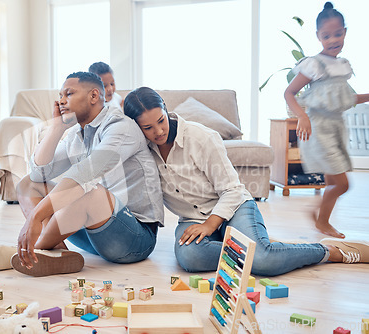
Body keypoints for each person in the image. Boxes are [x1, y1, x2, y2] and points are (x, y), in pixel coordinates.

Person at [123, 86, 369, 276]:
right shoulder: (141, 153)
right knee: (191, 258)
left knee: (263, 261)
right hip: (192, 220)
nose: (158, 132)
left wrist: (210, 226)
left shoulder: (202, 138)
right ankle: (258, 245)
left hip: (234, 208)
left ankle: (328, 251)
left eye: (161, 121)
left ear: (166, 109)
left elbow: (231, 190)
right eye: (147, 128)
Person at [0, 72, 163, 276]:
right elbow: (38, 173)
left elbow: (86, 174)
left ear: (94, 96)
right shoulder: (77, 135)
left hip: (135, 238)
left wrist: (35, 217)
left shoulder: (120, 127)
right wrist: (57, 128)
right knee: (27, 185)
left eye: (68, 93)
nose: (61, 100)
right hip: (95, 234)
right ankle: (56, 253)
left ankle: (32, 251)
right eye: (60, 95)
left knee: (88, 192)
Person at [284, 2, 369, 239]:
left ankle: (323, 221)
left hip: (336, 128)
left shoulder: (342, 66)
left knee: (333, 182)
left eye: (338, 34)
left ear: (345, 32)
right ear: (318, 37)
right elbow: (289, 92)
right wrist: (302, 116)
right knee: (342, 185)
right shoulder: (314, 64)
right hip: (319, 129)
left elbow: (346, 98)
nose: (333, 40)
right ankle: (320, 218)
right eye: (327, 36)